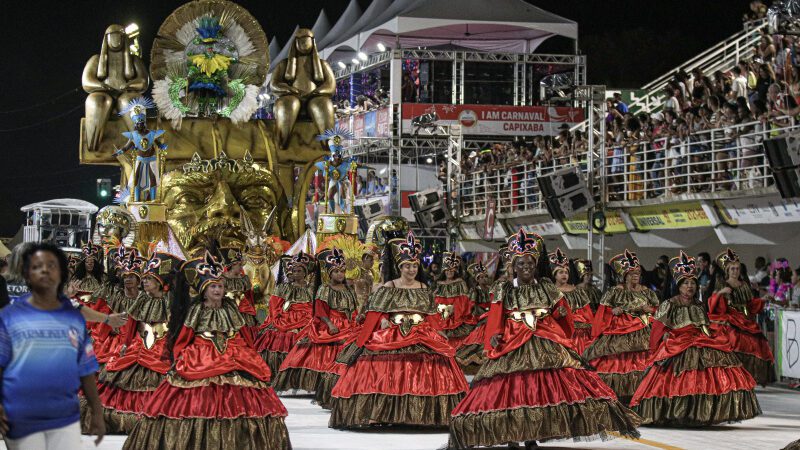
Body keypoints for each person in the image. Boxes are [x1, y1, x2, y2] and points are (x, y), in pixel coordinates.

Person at [448, 230, 640, 449]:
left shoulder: (547, 287)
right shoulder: (504, 289)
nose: (526, 267)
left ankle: (531, 436)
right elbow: (496, 316)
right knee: (510, 391)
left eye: (530, 263)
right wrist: (493, 337)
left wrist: (561, 327)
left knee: (538, 391)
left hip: (544, 339)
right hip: (511, 343)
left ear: (536, 264)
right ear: (514, 266)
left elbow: (563, 314)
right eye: (521, 264)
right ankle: (510, 436)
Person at [123, 251, 291, 449]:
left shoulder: (231, 308)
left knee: (242, 396)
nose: (218, 290)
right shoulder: (196, 310)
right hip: (200, 356)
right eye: (213, 286)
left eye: (220, 286)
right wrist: (178, 358)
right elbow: (184, 336)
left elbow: (243, 332)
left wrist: (252, 354)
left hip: (234, 353)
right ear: (203, 290)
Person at [329, 232, 468, 429]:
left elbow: (430, 315)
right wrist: (383, 321)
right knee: (384, 371)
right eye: (407, 266)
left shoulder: (423, 287)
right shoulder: (389, 286)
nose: (411, 269)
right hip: (393, 333)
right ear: (399, 267)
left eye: (414, 265)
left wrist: (440, 332)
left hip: (421, 333)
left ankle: (422, 415)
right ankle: (379, 413)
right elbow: (376, 312)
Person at [630, 252, 761, 426]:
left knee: (708, 377)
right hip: (677, 345)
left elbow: (705, 327)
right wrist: (660, 345)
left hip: (699, 341)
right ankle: (675, 412)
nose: (690, 287)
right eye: (686, 284)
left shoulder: (699, 305)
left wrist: (713, 341)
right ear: (679, 286)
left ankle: (700, 413)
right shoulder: (670, 304)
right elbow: (657, 330)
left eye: (692, 283)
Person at [0, 243, 105, 449]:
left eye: (52, 266)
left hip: (64, 416)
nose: (45, 271)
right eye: (37, 266)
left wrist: (97, 411)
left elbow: (85, 369)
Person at [95, 251, 181, 434]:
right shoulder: (142, 299)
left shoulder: (170, 300)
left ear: (159, 281)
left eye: (148, 279)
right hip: (139, 344)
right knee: (124, 376)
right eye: (144, 279)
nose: (144, 282)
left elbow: (176, 327)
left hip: (162, 346)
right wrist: (125, 344)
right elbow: (133, 322)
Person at [275, 247, 359, 408]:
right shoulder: (324, 289)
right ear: (329, 273)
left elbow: (353, 308)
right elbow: (320, 310)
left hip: (347, 323)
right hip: (330, 323)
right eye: (336, 271)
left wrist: (356, 319)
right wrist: (330, 324)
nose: (340, 274)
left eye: (342, 271)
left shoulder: (349, 289)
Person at [583, 250, 659, 404]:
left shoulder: (648, 292)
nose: (635, 275)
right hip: (619, 329)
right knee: (617, 360)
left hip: (643, 329)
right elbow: (602, 312)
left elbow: (659, 311)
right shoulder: (615, 291)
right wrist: (613, 311)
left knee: (642, 359)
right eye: (632, 273)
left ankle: (640, 395)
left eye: (637, 272)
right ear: (624, 276)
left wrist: (649, 310)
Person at [708, 249, 776, 386]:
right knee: (733, 339)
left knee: (757, 342)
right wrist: (721, 293)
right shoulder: (722, 284)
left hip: (744, 319)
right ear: (727, 270)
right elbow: (713, 304)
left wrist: (762, 299)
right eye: (732, 268)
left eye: (737, 268)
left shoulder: (744, 285)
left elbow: (750, 305)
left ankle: (749, 376)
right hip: (729, 318)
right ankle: (730, 375)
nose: (735, 271)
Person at [255, 252, 316, 379]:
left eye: (299, 270)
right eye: (294, 270)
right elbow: (274, 306)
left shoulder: (312, 289)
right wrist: (279, 319)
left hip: (307, 318)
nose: (296, 273)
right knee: (275, 337)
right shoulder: (283, 288)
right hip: (285, 317)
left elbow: (316, 307)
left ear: (305, 272)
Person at [550, 249, 595, 354]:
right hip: (559, 329)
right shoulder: (550, 292)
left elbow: (587, 313)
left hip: (579, 331)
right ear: (555, 275)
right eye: (561, 272)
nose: (564, 275)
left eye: (566, 272)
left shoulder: (577, 291)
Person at [455, 260, 494, 371]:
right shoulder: (475, 291)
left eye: (485, 276)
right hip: (481, 316)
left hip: (491, 314)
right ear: (477, 280)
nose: (483, 279)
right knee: (479, 336)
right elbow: (472, 305)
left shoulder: (491, 289)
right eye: (480, 277)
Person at [432, 252, 474, 347]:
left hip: (456, 316)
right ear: (444, 271)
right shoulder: (438, 283)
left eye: (452, 270)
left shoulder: (460, 282)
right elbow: (432, 298)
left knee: (456, 342)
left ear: (455, 271)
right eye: (447, 270)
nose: (449, 272)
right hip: (439, 315)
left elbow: (465, 299)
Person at [218, 247, 258, 340]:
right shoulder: (222, 280)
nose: (241, 268)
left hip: (244, 310)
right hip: (228, 311)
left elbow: (249, 297)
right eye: (239, 265)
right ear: (232, 265)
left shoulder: (244, 279)